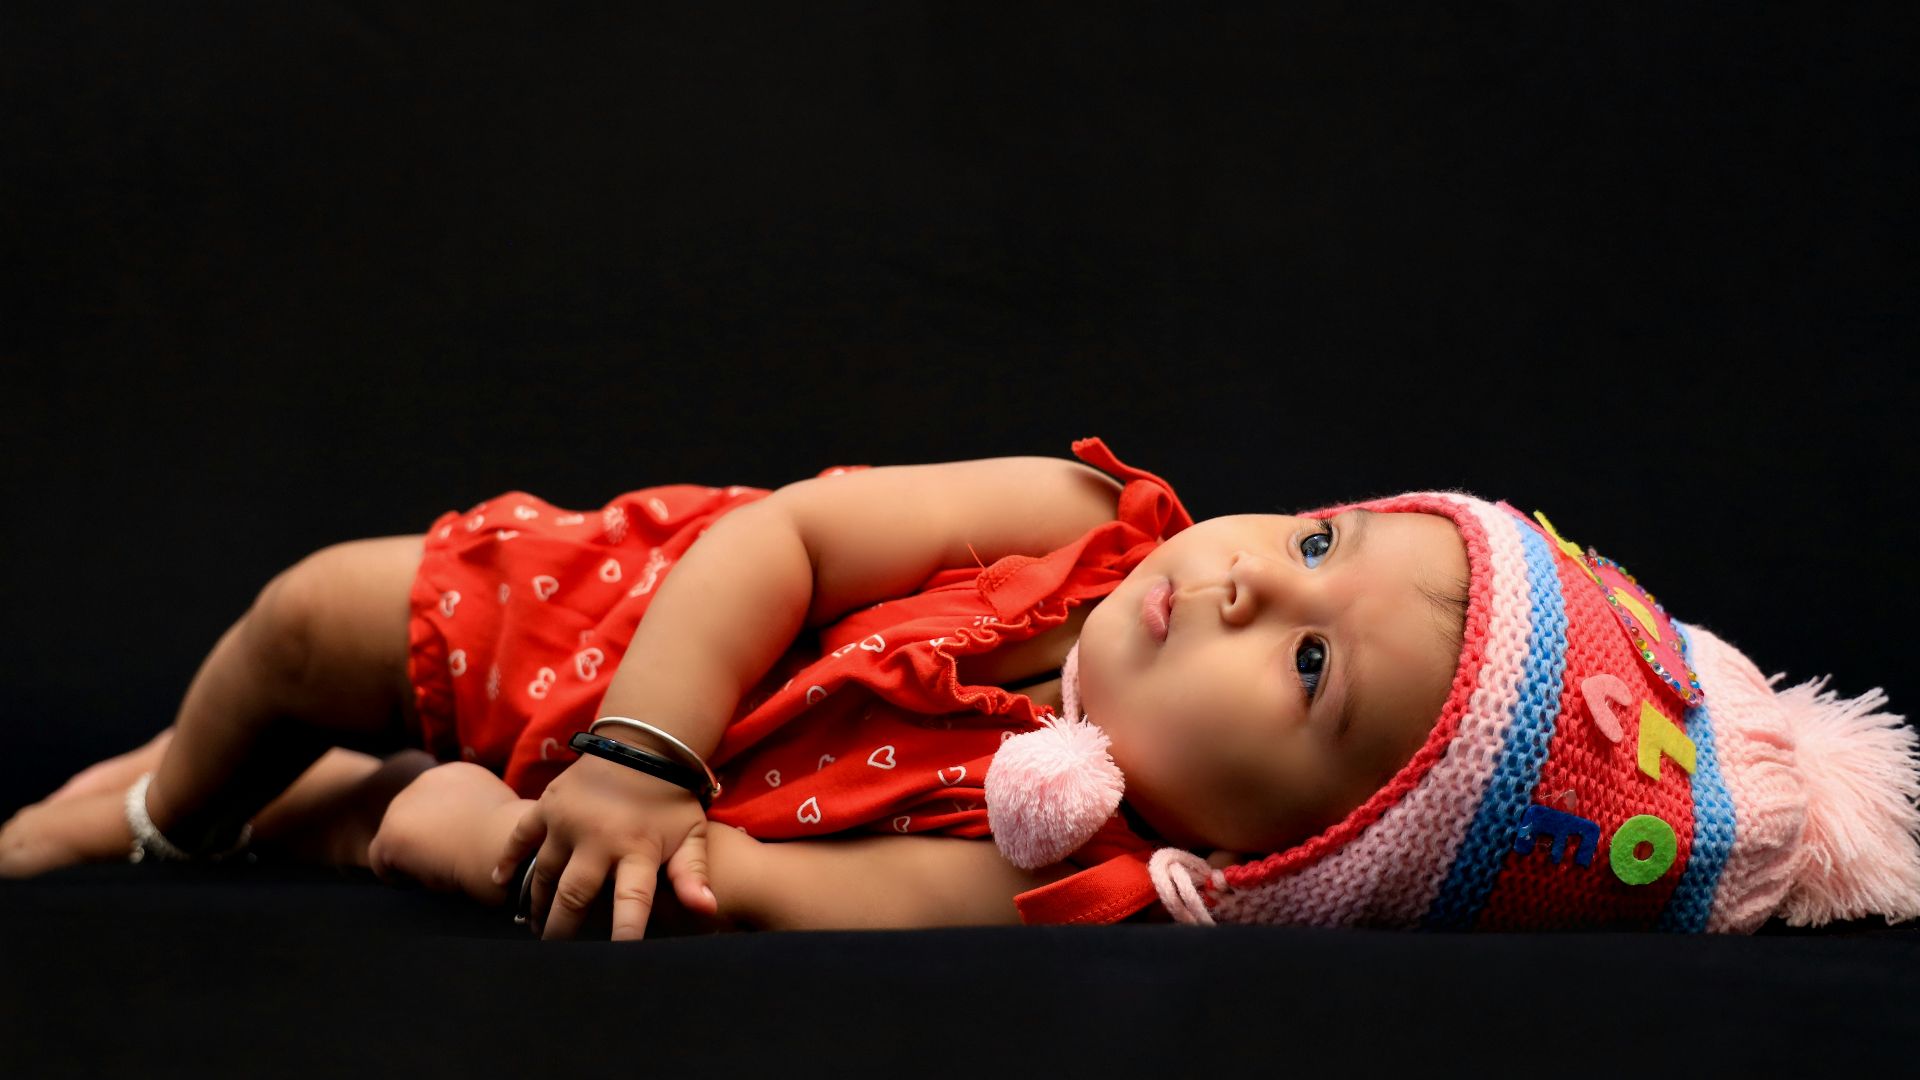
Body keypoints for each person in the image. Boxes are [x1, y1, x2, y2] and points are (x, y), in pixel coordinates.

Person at [5, 438, 1917, 941]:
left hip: (591, 821)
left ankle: (279, 815)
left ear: (1288, 849)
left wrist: (498, 837)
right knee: (303, 620)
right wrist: (642, 746)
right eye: (1322, 541)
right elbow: (790, 542)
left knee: (388, 819)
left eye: (1310, 666)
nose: (1252, 579)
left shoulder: (1050, 876)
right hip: (637, 640)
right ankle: (173, 792)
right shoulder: (1087, 519)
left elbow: (738, 893)